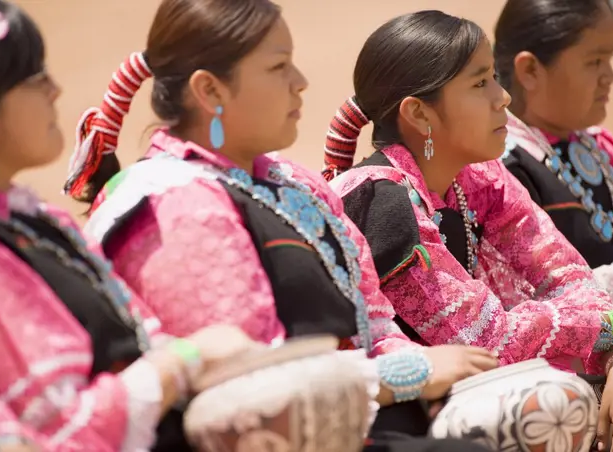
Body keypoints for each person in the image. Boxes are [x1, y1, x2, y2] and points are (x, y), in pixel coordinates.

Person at [55, 0, 569, 449]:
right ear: (211, 90)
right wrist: (410, 375)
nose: (301, 82)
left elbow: (377, 326)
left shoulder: (297, 184)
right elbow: (254, 385)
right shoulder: (172, 204)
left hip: (363, 417)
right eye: (279, 67)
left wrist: (422, 379)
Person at [0, 1, 366, 451]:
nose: (54, 89)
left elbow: (150, 339)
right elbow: (65, 431)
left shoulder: (33, 217)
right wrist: (187, 358)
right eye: (33, 77)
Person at [322, 10, 613, 452]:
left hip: (469, 391)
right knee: (553, 406)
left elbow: (566, 275)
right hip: (390, 416)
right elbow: (489, 339)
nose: (502, 97)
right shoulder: (379, 199)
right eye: (480, 82)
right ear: (420, 114)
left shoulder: (481, 178)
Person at [493, 0, 613, 309]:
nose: (609, 76)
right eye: (594, 61)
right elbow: (531, 299)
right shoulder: (500, 168)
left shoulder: (604, 149)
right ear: (530, 70)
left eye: (610, 59)